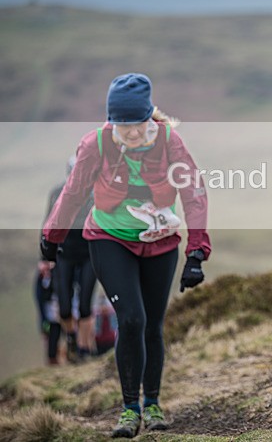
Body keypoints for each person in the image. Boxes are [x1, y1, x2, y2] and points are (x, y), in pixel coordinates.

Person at [41, 73, 211, 437]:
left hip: (161, 241)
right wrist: (51, 238)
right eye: (122, 125)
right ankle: (129, 409)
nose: (131, 133)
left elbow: (194, 190)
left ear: (149, 116)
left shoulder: (169, 141)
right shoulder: (96, 144)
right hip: (109, 238)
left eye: (137, 124)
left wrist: (196, 251)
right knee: (130, 319)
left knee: (152, 324)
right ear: (111, 120)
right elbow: (71, 194)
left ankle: (152, 404)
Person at [42, 157, 96, 362]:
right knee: (64, 307)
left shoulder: (96, 195)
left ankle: (84, 350)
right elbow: (48, 223)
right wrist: (44, 257)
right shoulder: (58, 194)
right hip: (63, 254)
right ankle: (72, 337)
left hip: (89, 254)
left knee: (85, 305)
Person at [34, 259, 61, 365]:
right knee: (51, 338)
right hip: (49, 317)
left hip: (60, 312)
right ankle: (52, 359)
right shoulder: (40, 280)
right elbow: (40, 299)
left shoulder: (58, 274)